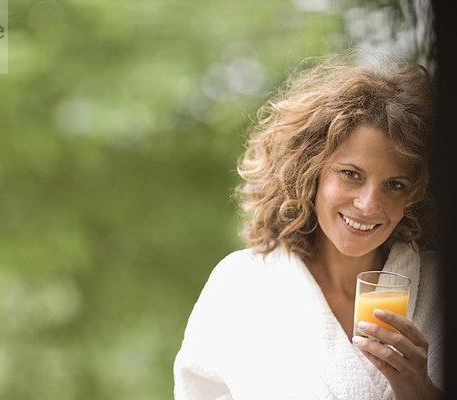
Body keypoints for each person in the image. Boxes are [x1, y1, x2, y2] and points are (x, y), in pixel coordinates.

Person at [173, 51, 443, 399]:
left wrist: (420, 390)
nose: (369, 204)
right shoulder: (241, 287)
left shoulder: (439, 288)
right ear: (309, 173)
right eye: (350, 174)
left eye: (395, 185)